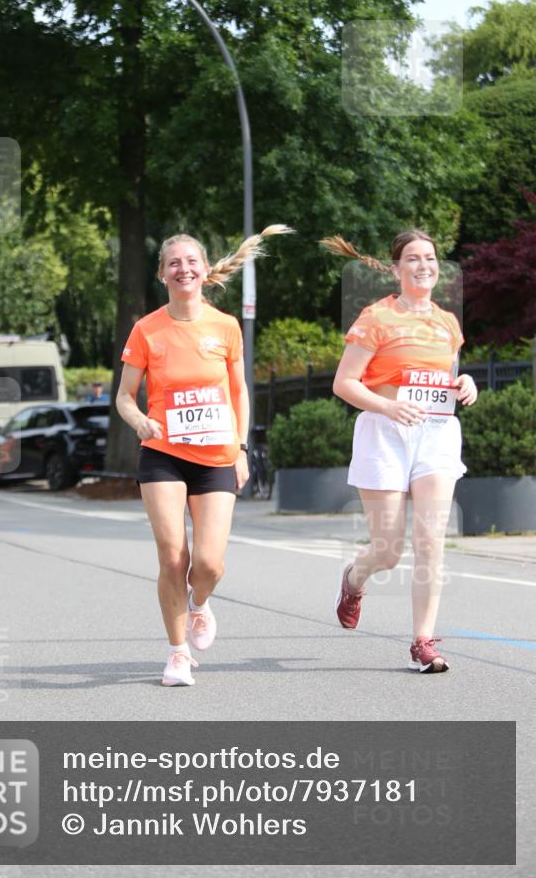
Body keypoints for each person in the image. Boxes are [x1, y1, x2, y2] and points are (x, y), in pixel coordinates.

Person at [116, 225, 292, 686]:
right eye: (174, 263)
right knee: (173, 557)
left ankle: (199, 604)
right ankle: (177, 654)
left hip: (216, 454)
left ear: (205, 270)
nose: (183, 269)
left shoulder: (226, 326)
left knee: (209, 564)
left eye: (191, 261)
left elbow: (239, 393)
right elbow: (124, 397)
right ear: (162, 274)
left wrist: (240, 447)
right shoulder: (146, 329)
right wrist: (139, 422)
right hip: (162, 455)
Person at [321, 230, 477, 673]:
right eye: (413, 258)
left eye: (430, 257)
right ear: (396, 269)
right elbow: (344, 383)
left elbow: (447, 377)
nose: (423, 265)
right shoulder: (376, 317)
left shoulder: (448, 323)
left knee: (430, 541)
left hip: (437, 434)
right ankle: (354, 579)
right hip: (384, 432)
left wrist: (466, 384)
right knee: (388, 550)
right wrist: (388, 405)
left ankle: (422, 641)